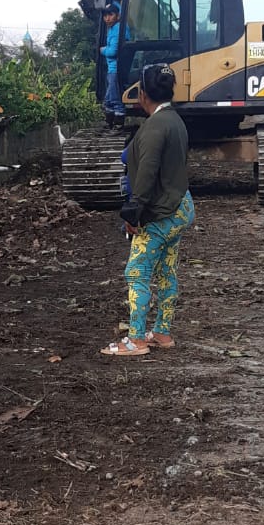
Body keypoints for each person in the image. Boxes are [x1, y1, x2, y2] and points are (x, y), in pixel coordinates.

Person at [101, 63, 195, 358]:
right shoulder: (174, 119)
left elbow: (148, 172)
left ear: (142, 94)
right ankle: (162, 332)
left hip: (161, 212)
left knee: (136, 272)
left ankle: (136, 340)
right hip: (181, 205)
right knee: (166, 270)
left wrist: (134, 212)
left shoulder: (154, 126)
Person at [101, 2, 123, 124]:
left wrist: (103, 50)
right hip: (112, 69)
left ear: (118, 16)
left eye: (110, 15)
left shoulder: (117, 30)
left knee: (114, 98)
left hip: (115, 69)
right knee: (108, 100)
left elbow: (113, 51)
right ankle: (110, 123)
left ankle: (118, 123)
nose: (107, 18)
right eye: (105, 15)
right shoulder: (113, 29)